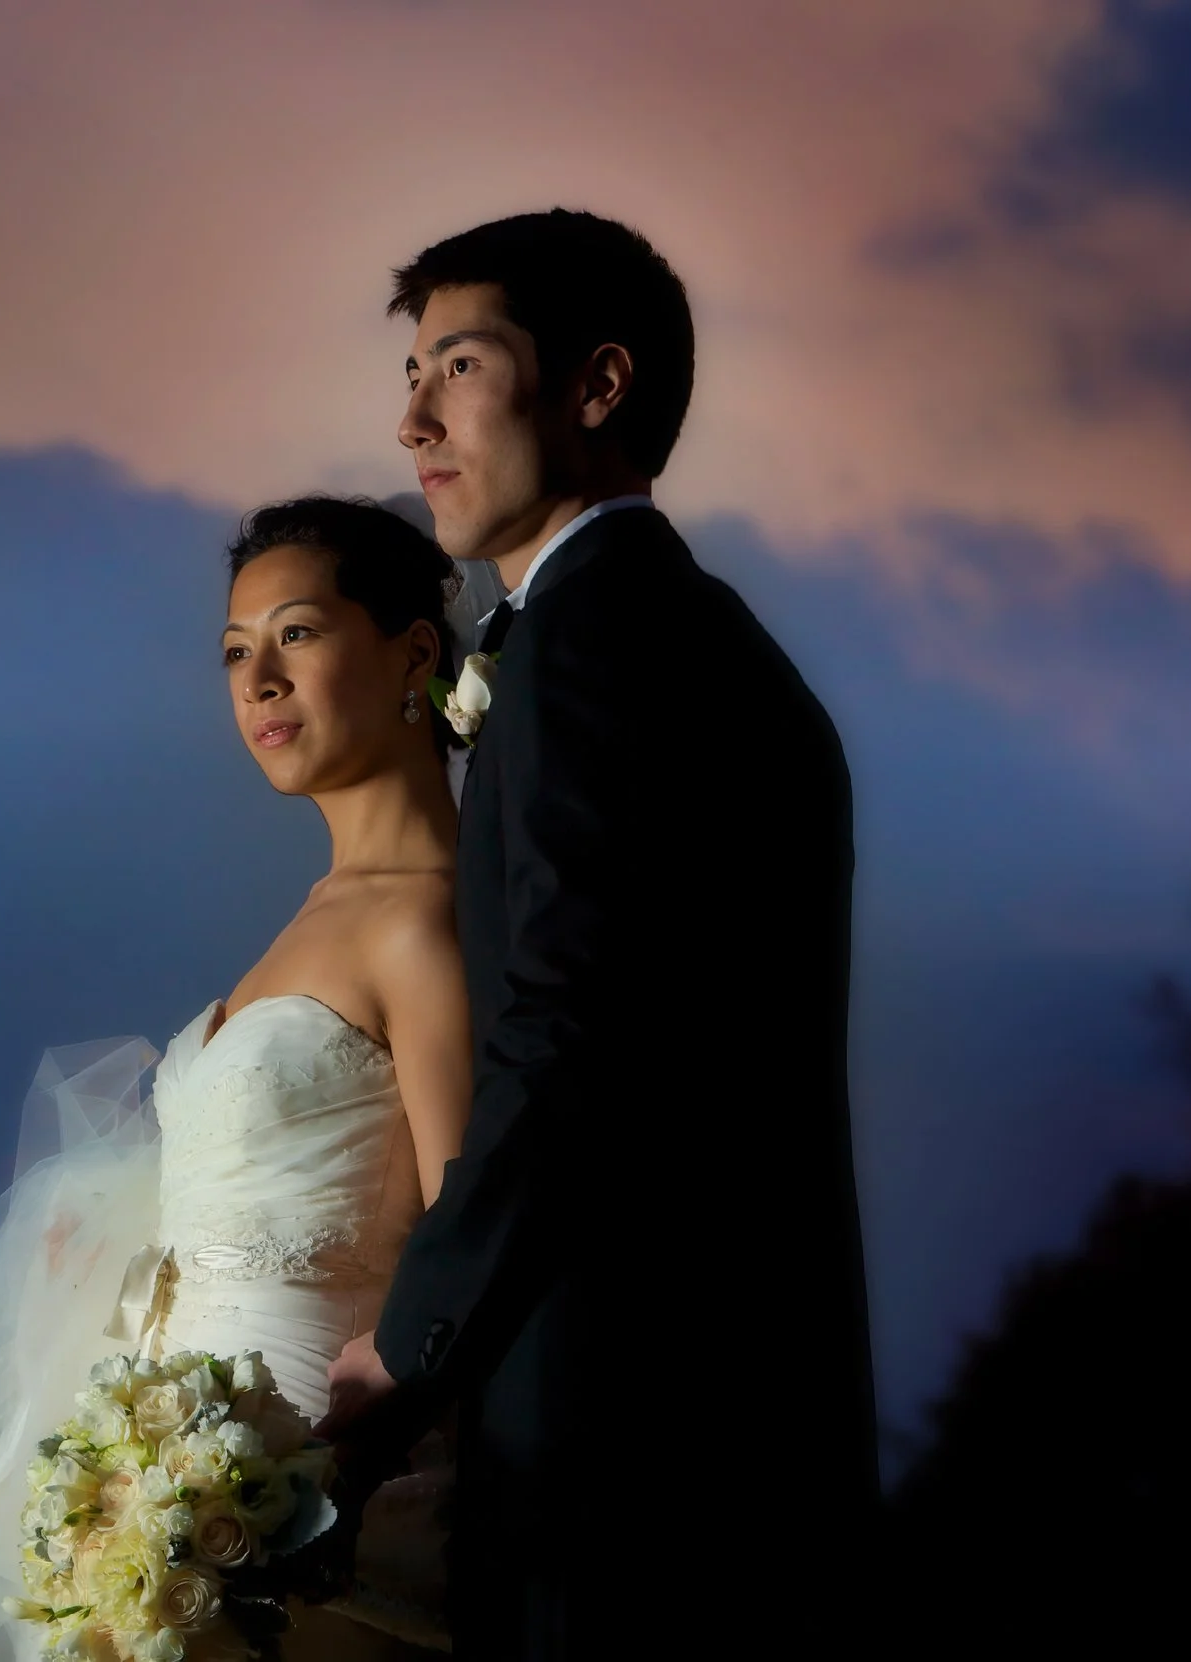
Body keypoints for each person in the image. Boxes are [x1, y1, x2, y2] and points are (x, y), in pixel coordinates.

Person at [315, 209, 881, 1657]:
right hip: (750, 1433)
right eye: (412, 371)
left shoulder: (586, 646)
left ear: (597, 384)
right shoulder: (715, 641)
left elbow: (567, 1033)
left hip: (611, 1443)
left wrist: (408, 1347)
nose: (411, 418)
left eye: (458, 365)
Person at [0, 496, 474, 1660]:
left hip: (310, 1483)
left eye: (298, 635)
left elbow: (471, 1220)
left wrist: (343, 1457)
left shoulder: (427, 919)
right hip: (163, 1481)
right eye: (232, 651)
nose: (256, 680)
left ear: (415, 652)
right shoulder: (317, 916)